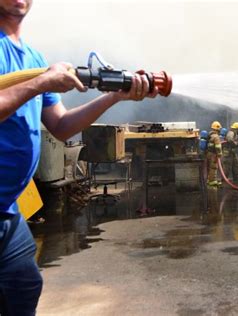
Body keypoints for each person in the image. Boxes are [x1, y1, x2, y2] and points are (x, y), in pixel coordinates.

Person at [0, 0, 161, 314]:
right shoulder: (37, 71)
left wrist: (115, 96)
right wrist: (41, 82)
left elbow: (61, 126)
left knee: (24, 289)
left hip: (6, 209)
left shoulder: (33, 58)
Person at [206, 121, 222, 187]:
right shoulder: (216, 137)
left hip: (208, 153)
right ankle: (212, 181)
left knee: (209, 167)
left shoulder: (209, 135)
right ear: (217, 129)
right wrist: (219, 154)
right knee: (213, 167)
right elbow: (218, 147)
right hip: (213, 154)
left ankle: (209, 180)